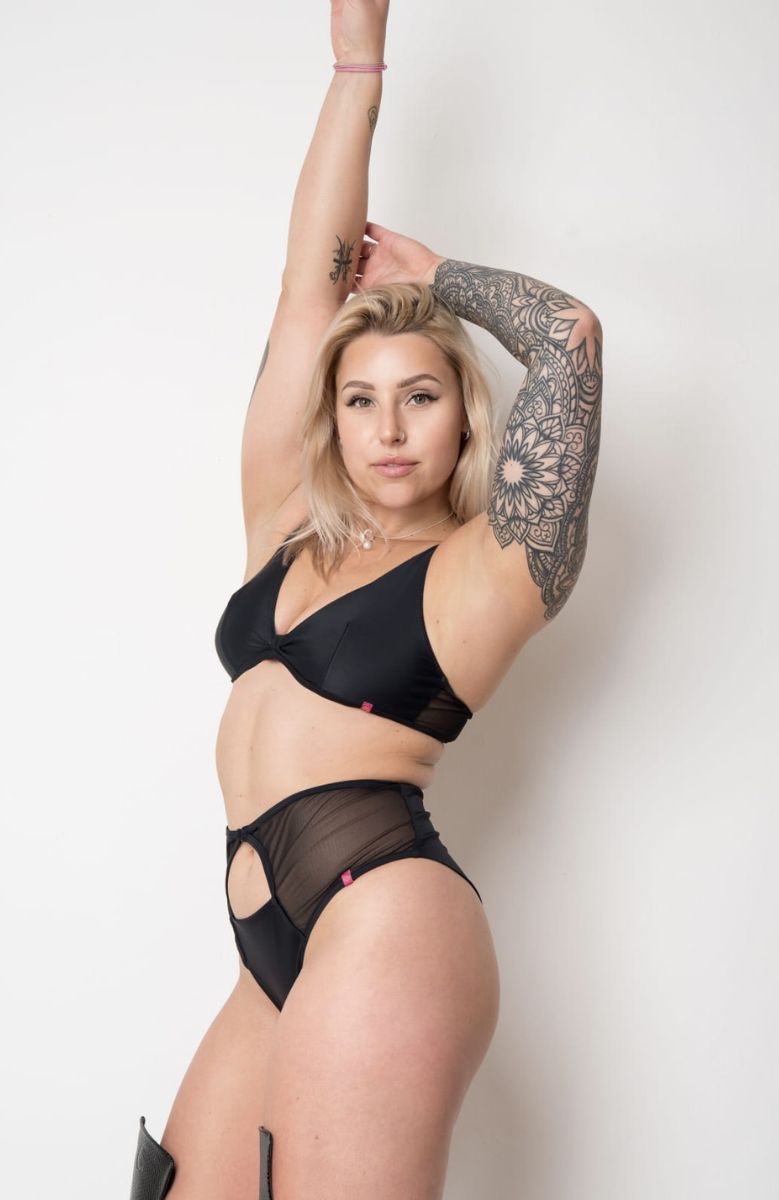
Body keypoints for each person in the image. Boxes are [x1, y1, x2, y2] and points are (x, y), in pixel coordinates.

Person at [128, 3, 603, 1198]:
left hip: (383, 921)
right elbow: (307, 288)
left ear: (464, 420)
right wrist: (355, 64)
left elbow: (568, 340)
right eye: (359, 399)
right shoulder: (285, 521)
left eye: (420, 396)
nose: (387, 427)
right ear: (331, 419)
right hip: (269, 949)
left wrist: (432, 278)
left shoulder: (489, 567)